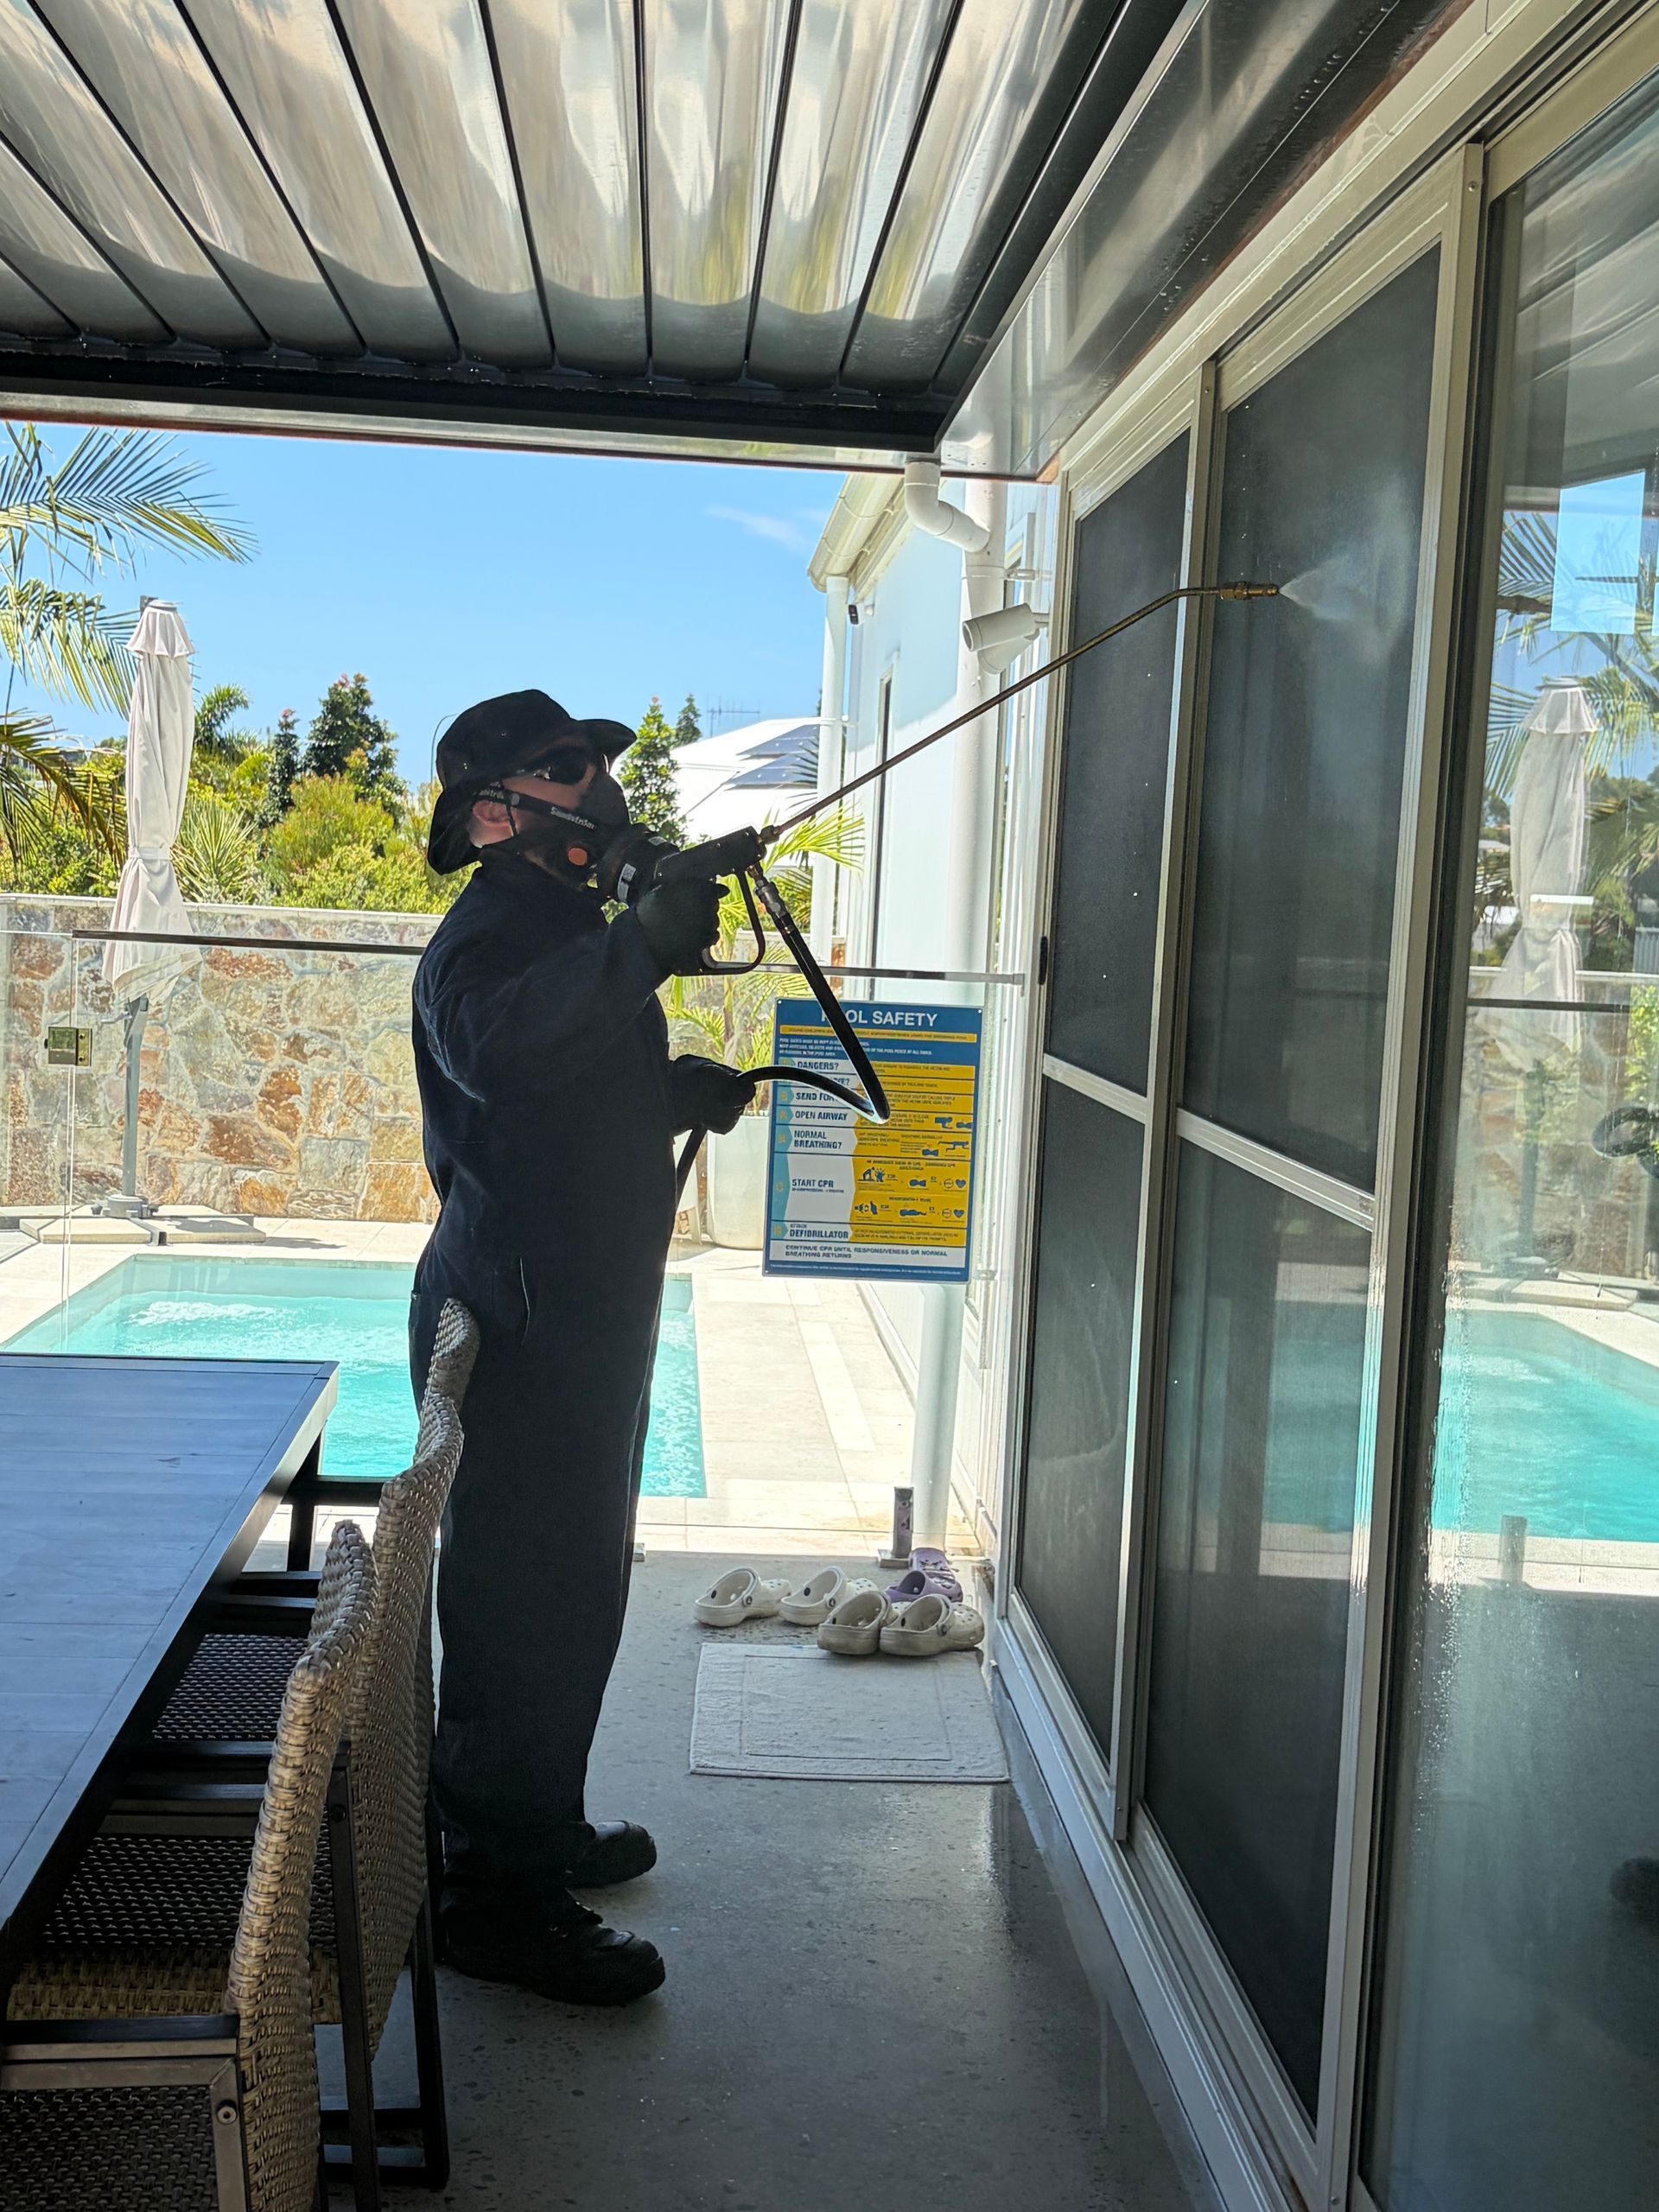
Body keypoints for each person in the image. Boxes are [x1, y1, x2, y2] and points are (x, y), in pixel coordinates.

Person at [410, 688, 753, 2004]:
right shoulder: (486, 939)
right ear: (492, 814)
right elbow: (501, 1055)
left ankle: (532, 1824)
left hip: (580, 1313)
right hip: (526, 1319)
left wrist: (666, 1093)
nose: (600, 785)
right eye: (565, 769)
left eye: (600, 762)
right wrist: (644, 951)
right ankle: (494, 1895)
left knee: (575, 1595)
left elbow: (557, 1092)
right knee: (522, 1607)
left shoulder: (564, 927)